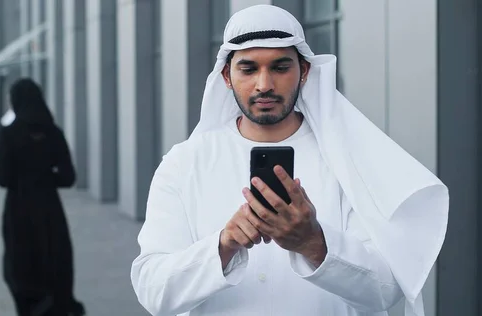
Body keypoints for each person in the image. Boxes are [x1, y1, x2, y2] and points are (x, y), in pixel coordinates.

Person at [130, 5, 449, 316]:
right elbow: (154, 291)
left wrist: (314, 243)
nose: (264, 84)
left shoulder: (348, 160)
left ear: (304, 71)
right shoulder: (184, 164)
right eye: (249, 68)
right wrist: (224, 245)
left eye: (280, 67)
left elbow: (384, 291)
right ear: (227, 76)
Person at [0, 78, 85, 316]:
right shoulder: (54, 132)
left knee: (20, 266)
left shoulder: (8, 134)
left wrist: (23, 179)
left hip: (18, 210)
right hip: (49, 209)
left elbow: (2, 178)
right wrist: (44, 178)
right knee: (54, 262)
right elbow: (68, 177)